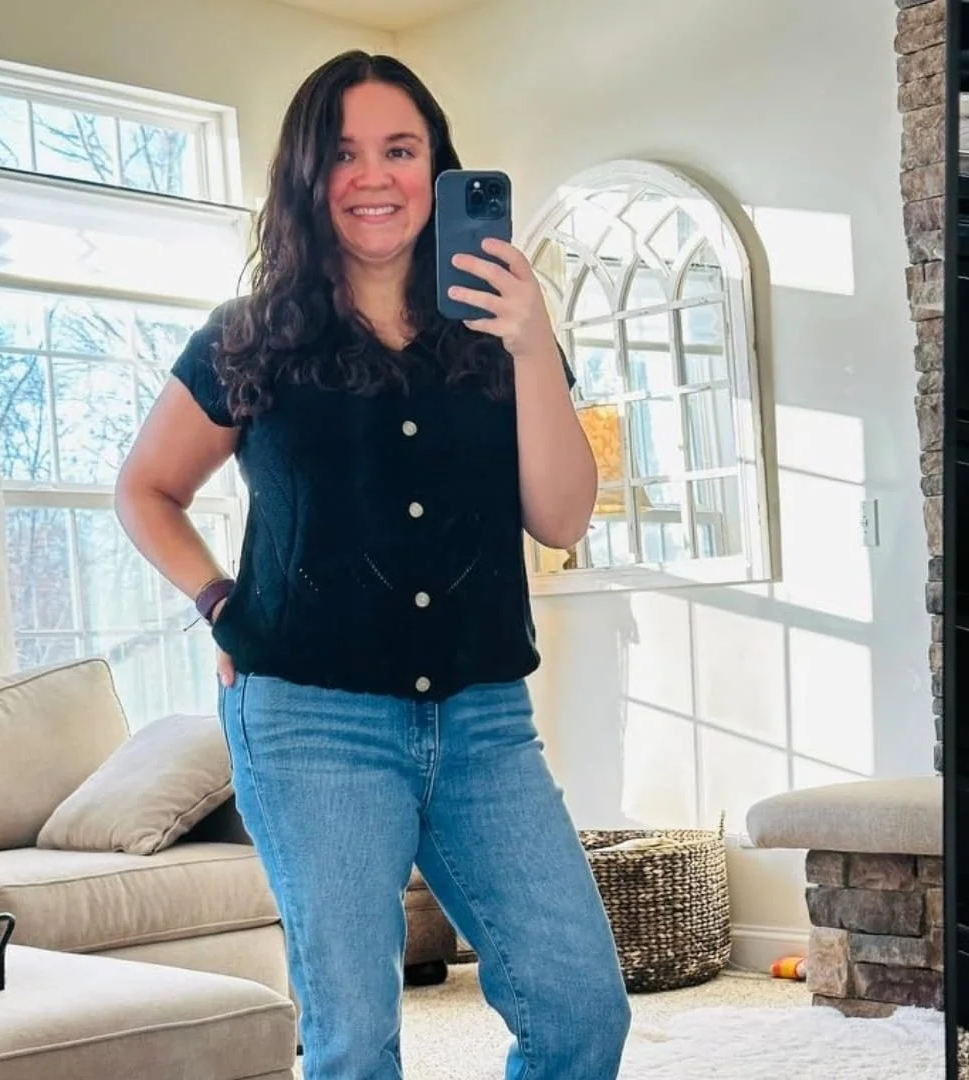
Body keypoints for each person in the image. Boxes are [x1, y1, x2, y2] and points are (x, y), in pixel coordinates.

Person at [115, 49, 631, 1080]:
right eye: (343, 153)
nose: (373, 175)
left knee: (582, 1013)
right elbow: (145, 491)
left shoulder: (504, 333)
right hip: (310, 721)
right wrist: (222, 603)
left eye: (400, 149)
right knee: (354, 1040)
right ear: (308, 176)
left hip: (486, 723)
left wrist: (535, 344)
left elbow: (562, 512)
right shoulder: (247, 338)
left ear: (437, 167)